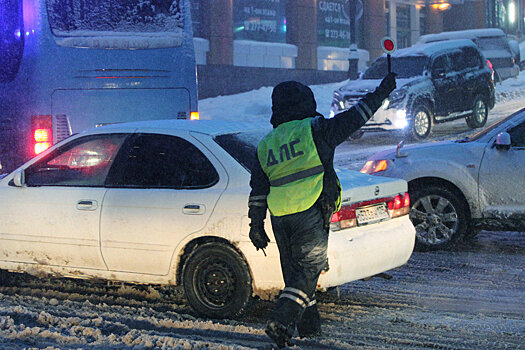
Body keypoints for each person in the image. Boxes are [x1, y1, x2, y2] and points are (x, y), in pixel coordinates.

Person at [248, 72, 397, 348]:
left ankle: (310, 330)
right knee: (310, 268)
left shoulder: (267, 143)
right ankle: (281, 321)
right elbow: (357, 116)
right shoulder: (315, 129)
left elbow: (258, 190)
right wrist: (382, 90)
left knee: (296, 275)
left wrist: (255, 225)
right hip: (309, 209)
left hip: (280, 216)